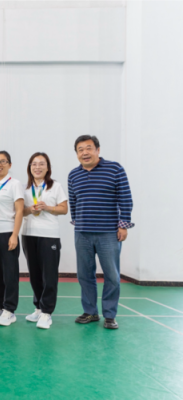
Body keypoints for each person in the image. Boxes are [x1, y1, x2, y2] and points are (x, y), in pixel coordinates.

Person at [68, 135, 134, 330]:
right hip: (82, 233)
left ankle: (110, 315)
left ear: (98, 150)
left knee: (112, 276)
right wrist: (78, 222)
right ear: (77, 154)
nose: (85, 153)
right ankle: (90, 312)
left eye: (89, 148)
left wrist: (123, 225)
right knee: (84, 275)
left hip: (108, 233)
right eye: (80, 149)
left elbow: (125, 198)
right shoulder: (73, 175)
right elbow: (73, 201)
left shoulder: (115, 169)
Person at [22, 152, 68, 329]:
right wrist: (29, 209)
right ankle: (39, 308)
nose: (37, 167)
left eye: (41, 164)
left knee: (49, 275)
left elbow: (64, 209)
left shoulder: (55, 186)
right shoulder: (25, 188)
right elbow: (20, 211)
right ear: (30, 167)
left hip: (49, 235)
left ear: (47, 167)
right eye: (34, 164)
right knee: (34, 274)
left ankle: (47, 312)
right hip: (28, 234)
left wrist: (47, 207)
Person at [0, 151, 24, 327]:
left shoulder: (15, 184)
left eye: (3, 161)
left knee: (9, 273)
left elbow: (20, 211)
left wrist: (14, 234)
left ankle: (9, 309)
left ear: (9, 164)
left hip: (7, 232)